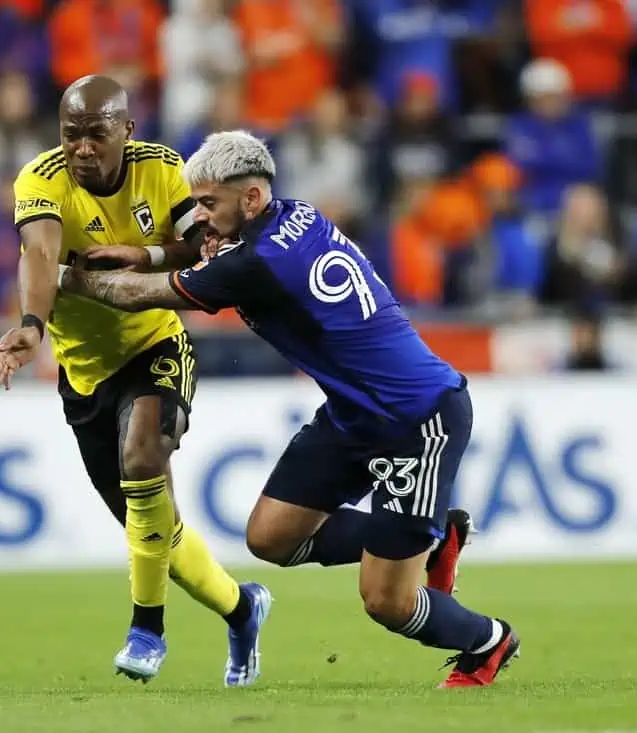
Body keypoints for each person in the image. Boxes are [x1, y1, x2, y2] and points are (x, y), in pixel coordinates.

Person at [52, 130, 520, 689]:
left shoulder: (257, 262)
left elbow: (138, 295)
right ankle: (433, 539)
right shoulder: (296, 215)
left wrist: (59, 277)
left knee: (387, 601)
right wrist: (161, 251)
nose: (199, 217)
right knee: (271, 537)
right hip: (353, 413)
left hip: (416, 419)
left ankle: (488, 641)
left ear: (250, 198)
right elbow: (214, 257)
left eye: (209, 204)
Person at [0, 75, 271, 687]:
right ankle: (242, 608)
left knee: (143, 459)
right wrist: (32, 326)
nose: (82, 147)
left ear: (126, 130)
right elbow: (40, 255)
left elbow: (203, 246)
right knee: (156, 531)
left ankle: (147, 632)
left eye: (96, 133)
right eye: (71, 134)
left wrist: (146, 257)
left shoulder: (161, 169)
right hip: (85, 376)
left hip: (154, 345)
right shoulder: (40, 179)